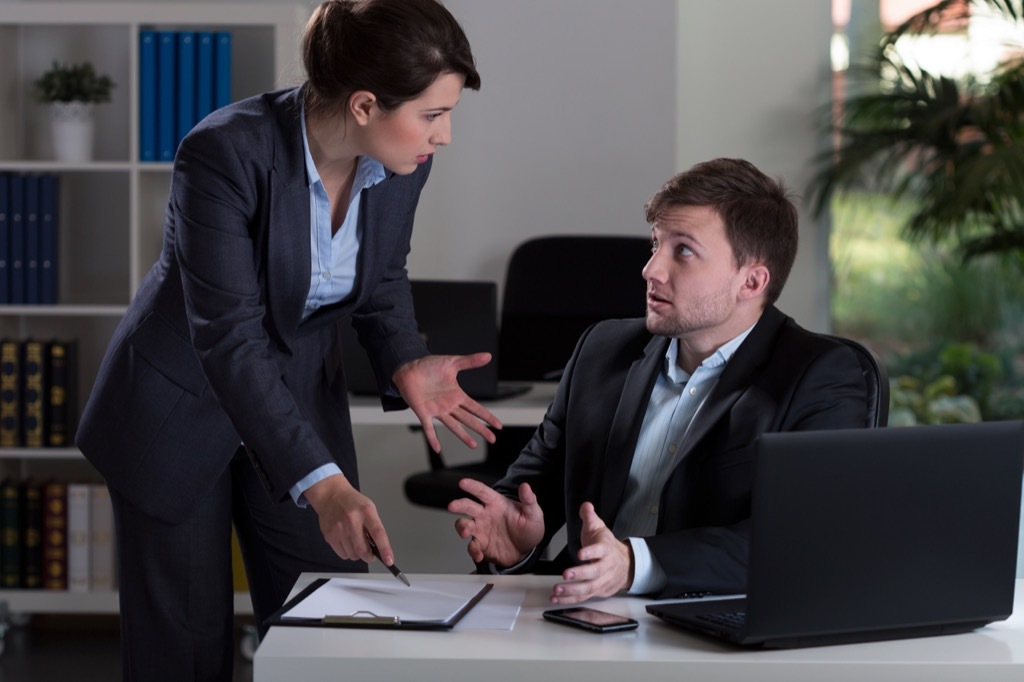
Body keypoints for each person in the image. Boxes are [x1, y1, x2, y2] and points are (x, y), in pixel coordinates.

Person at [75, 1, 495, 680]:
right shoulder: (222, 153)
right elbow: (230, 339)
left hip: (296, 398)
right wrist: (324, 485)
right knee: (182, 652)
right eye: (432, 114)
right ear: (363, 104)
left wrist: (404, 362)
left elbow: (383, 276)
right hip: (181, 402)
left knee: (327, 629)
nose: (442, 137)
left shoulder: (403, 159)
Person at [450, 157, 871, 605]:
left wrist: (634, 564)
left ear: (751, 281)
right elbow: (533, 491)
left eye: (683, 250)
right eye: (656, 244)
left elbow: (800, 541)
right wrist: (520, 542)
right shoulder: (602, 349)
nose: (651, 269)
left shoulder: (820, 375)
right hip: (585, 619)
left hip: (714, 629)